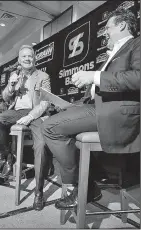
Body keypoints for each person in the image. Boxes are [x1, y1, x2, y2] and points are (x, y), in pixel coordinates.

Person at [42, 7, 140, 210]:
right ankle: (89, 184)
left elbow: (137, 78)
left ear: (122, 25)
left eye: (108, 27)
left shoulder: (136, 44)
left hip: (117, 114)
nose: (105, 32)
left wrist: (94, 76)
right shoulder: (114, 52)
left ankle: (81, 186)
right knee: (54, 121)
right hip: (98, 108)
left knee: (50, 128)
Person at [0, 44, 53, 211]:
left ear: (34, 58)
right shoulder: (15, 75)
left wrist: (30, 116)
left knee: (41, 145)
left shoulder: (43, 76)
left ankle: (38, 192)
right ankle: (8, 157)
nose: (27, 58)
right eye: (23, 56)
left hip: (36, 113)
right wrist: (10, 86)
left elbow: (46, 102)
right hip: (16, 112)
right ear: (19, 60)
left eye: (29, 56)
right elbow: (5, 98)